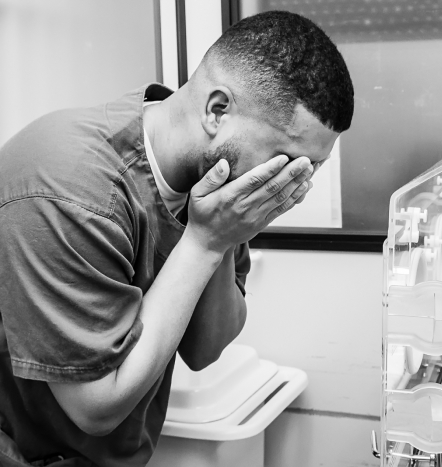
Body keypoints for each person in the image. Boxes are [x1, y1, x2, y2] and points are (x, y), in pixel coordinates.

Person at [0, 10, 353, 467]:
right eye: (287, 160)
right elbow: (96, 406)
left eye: (312, 168)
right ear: (217, 110)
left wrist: (223, 240)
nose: (293, 183)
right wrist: (205, 241)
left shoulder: (217, 182)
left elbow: (205, 350)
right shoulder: (68, 187)